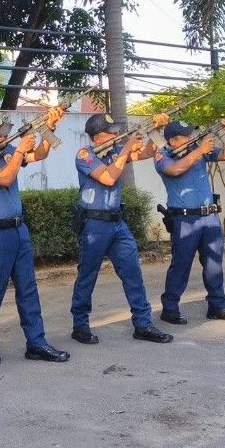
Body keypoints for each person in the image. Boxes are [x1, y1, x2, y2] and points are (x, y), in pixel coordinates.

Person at [0, 110, 71, 365]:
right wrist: (20, 150)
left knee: (28, 288)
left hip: (18, 230)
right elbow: (5, 178)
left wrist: (49, 128)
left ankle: (37, 343)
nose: (7, 138)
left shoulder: (8, 152)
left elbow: (41, 154)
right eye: (2, 135)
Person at [70, 112, 174, 345]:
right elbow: (108, 178)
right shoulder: (85, 155)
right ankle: (80, 325)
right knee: (88, 275)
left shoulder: (116, 151)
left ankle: (143, 323)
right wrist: (125, 149)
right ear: (97, 137)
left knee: (132, 273)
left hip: (118, 224)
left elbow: (147, 152)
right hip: (94, 225)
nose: (117, 136)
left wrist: (153, 130)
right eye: (112, 133)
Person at [152, 118, 225, 324]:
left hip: (209, 216)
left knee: (214, 264)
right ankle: (170, 308)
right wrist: (199, 151)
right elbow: (175, 170)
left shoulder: (199, 150)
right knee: (181, 265)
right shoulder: (163, 155)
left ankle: (217, 305)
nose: (191, 139)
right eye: (187, 136)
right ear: (173, 141)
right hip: (185, 219)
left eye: (191, 135)